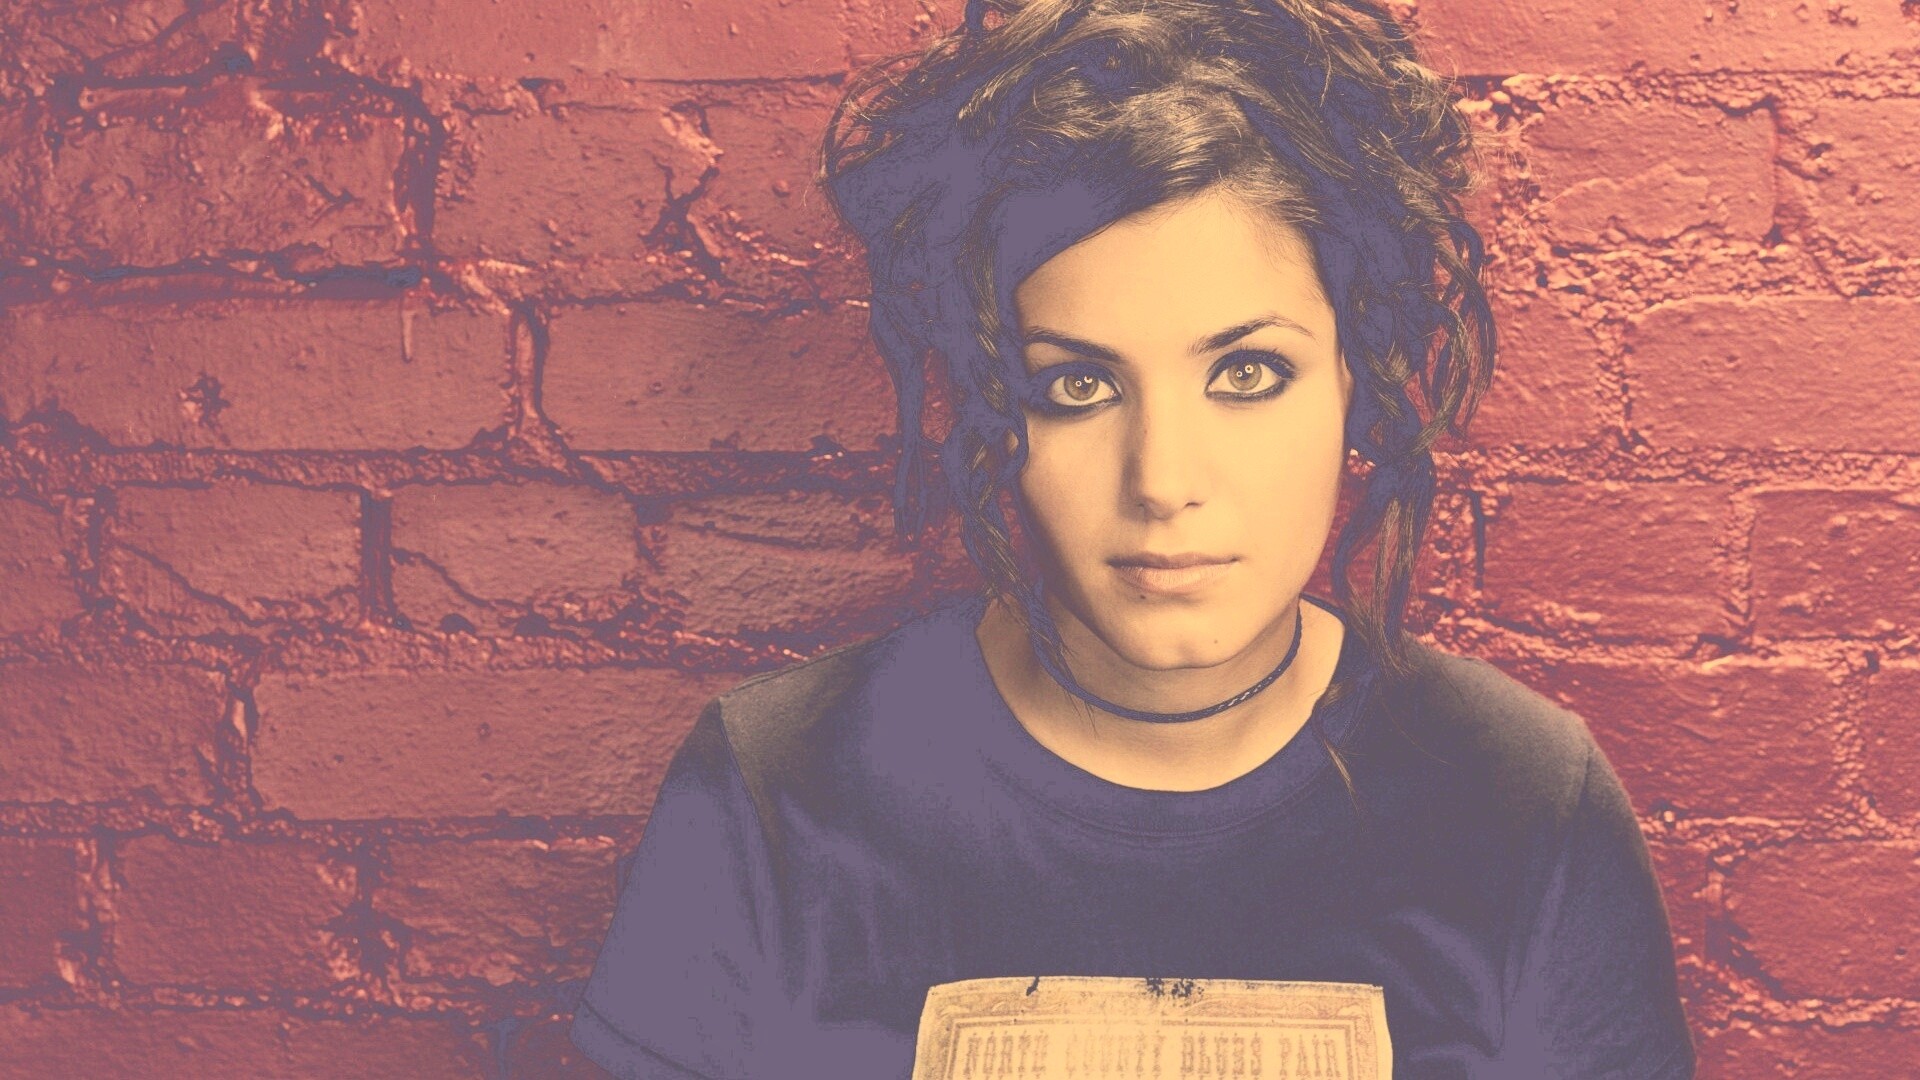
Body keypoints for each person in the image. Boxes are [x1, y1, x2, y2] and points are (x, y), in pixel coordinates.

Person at [571, 0, 1695, 1076]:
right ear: (988, 405)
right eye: (1077, 386)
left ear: (1356, 381)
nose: (1163, 482)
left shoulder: (1521, 801)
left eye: (1247, 374)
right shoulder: (777, 787)